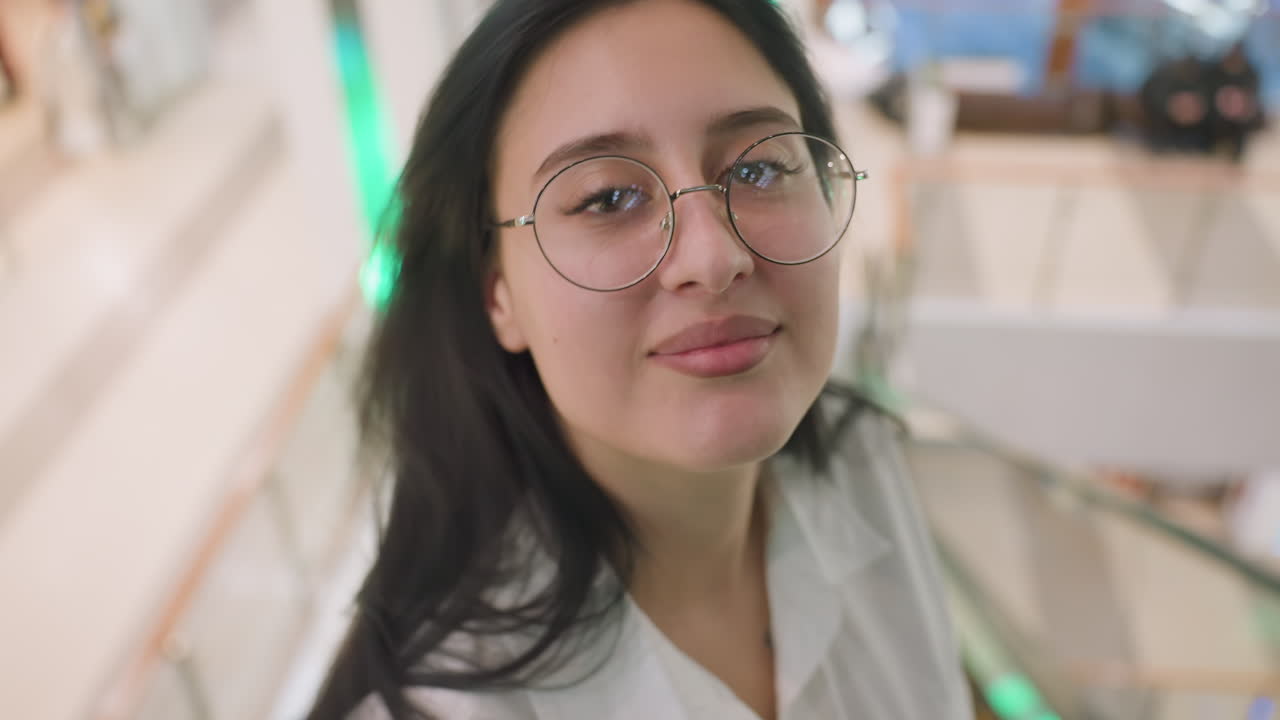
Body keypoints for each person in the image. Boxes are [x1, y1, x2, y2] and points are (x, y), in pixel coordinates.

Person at [309, 1, 971, 718]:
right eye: (608, 197)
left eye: (759, 169)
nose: (714, 258)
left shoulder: (857, 461)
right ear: (497, 294)